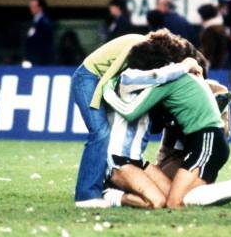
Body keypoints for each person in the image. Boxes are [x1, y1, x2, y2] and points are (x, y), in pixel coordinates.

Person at [101, 40, 231, 210]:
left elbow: (133, 111)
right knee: (180, 196)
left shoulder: (171, 82)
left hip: (205, 142)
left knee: (175, 202)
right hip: (204, 142)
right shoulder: (191, 83)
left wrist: (107, 90)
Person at [72, 30, 203, 208]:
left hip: (132, 156)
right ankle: (86, 196)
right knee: (100, 133)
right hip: (90, 77)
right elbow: (112, 75)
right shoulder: (136, 48)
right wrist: (99, 100)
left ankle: (105, 188)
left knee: (104, 134)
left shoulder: (144, 53)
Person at [24, 0, 55, 66]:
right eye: (30, 6)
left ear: (40, 7)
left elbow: (44, 42)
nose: (31, 8)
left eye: (33, 6)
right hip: (32, 58)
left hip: (41, 59)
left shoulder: (45, 22)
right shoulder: (34, 21)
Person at [197, 4, 228, 69]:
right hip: (220, 63)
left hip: (212, 65)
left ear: (204, 16)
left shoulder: (210, 30)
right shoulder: (219, 27)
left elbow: (208, 50)